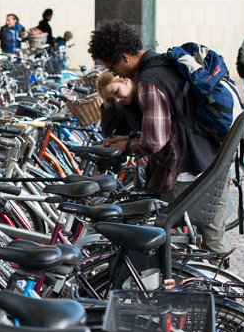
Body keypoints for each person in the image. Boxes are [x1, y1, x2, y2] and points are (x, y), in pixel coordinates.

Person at [88, 20, 228, 253]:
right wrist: (129, 140)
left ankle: (214, 285)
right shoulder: (165, 64)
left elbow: (154, 141)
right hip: (209, 159)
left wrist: (127, 147)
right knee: (212, 240)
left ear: (124, 57)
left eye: (113, 68)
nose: (114, 73)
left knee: (161, 241)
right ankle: (221, 282)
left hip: (188, 171)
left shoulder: (148, 80)